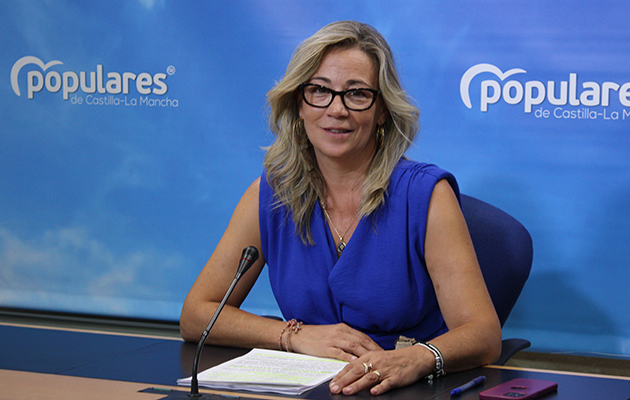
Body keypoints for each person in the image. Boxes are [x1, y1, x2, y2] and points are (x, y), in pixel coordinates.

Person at [180, 20, 501, 396]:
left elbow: (483, 334)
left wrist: (416, 359)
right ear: (299, 103)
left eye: (357, 94)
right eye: (319, 90)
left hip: (405, 387)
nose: (337, 109)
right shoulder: (270, 197)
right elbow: (196, 315)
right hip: (313, 386)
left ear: (382, 109)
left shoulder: (426, 196)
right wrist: (293, 336)